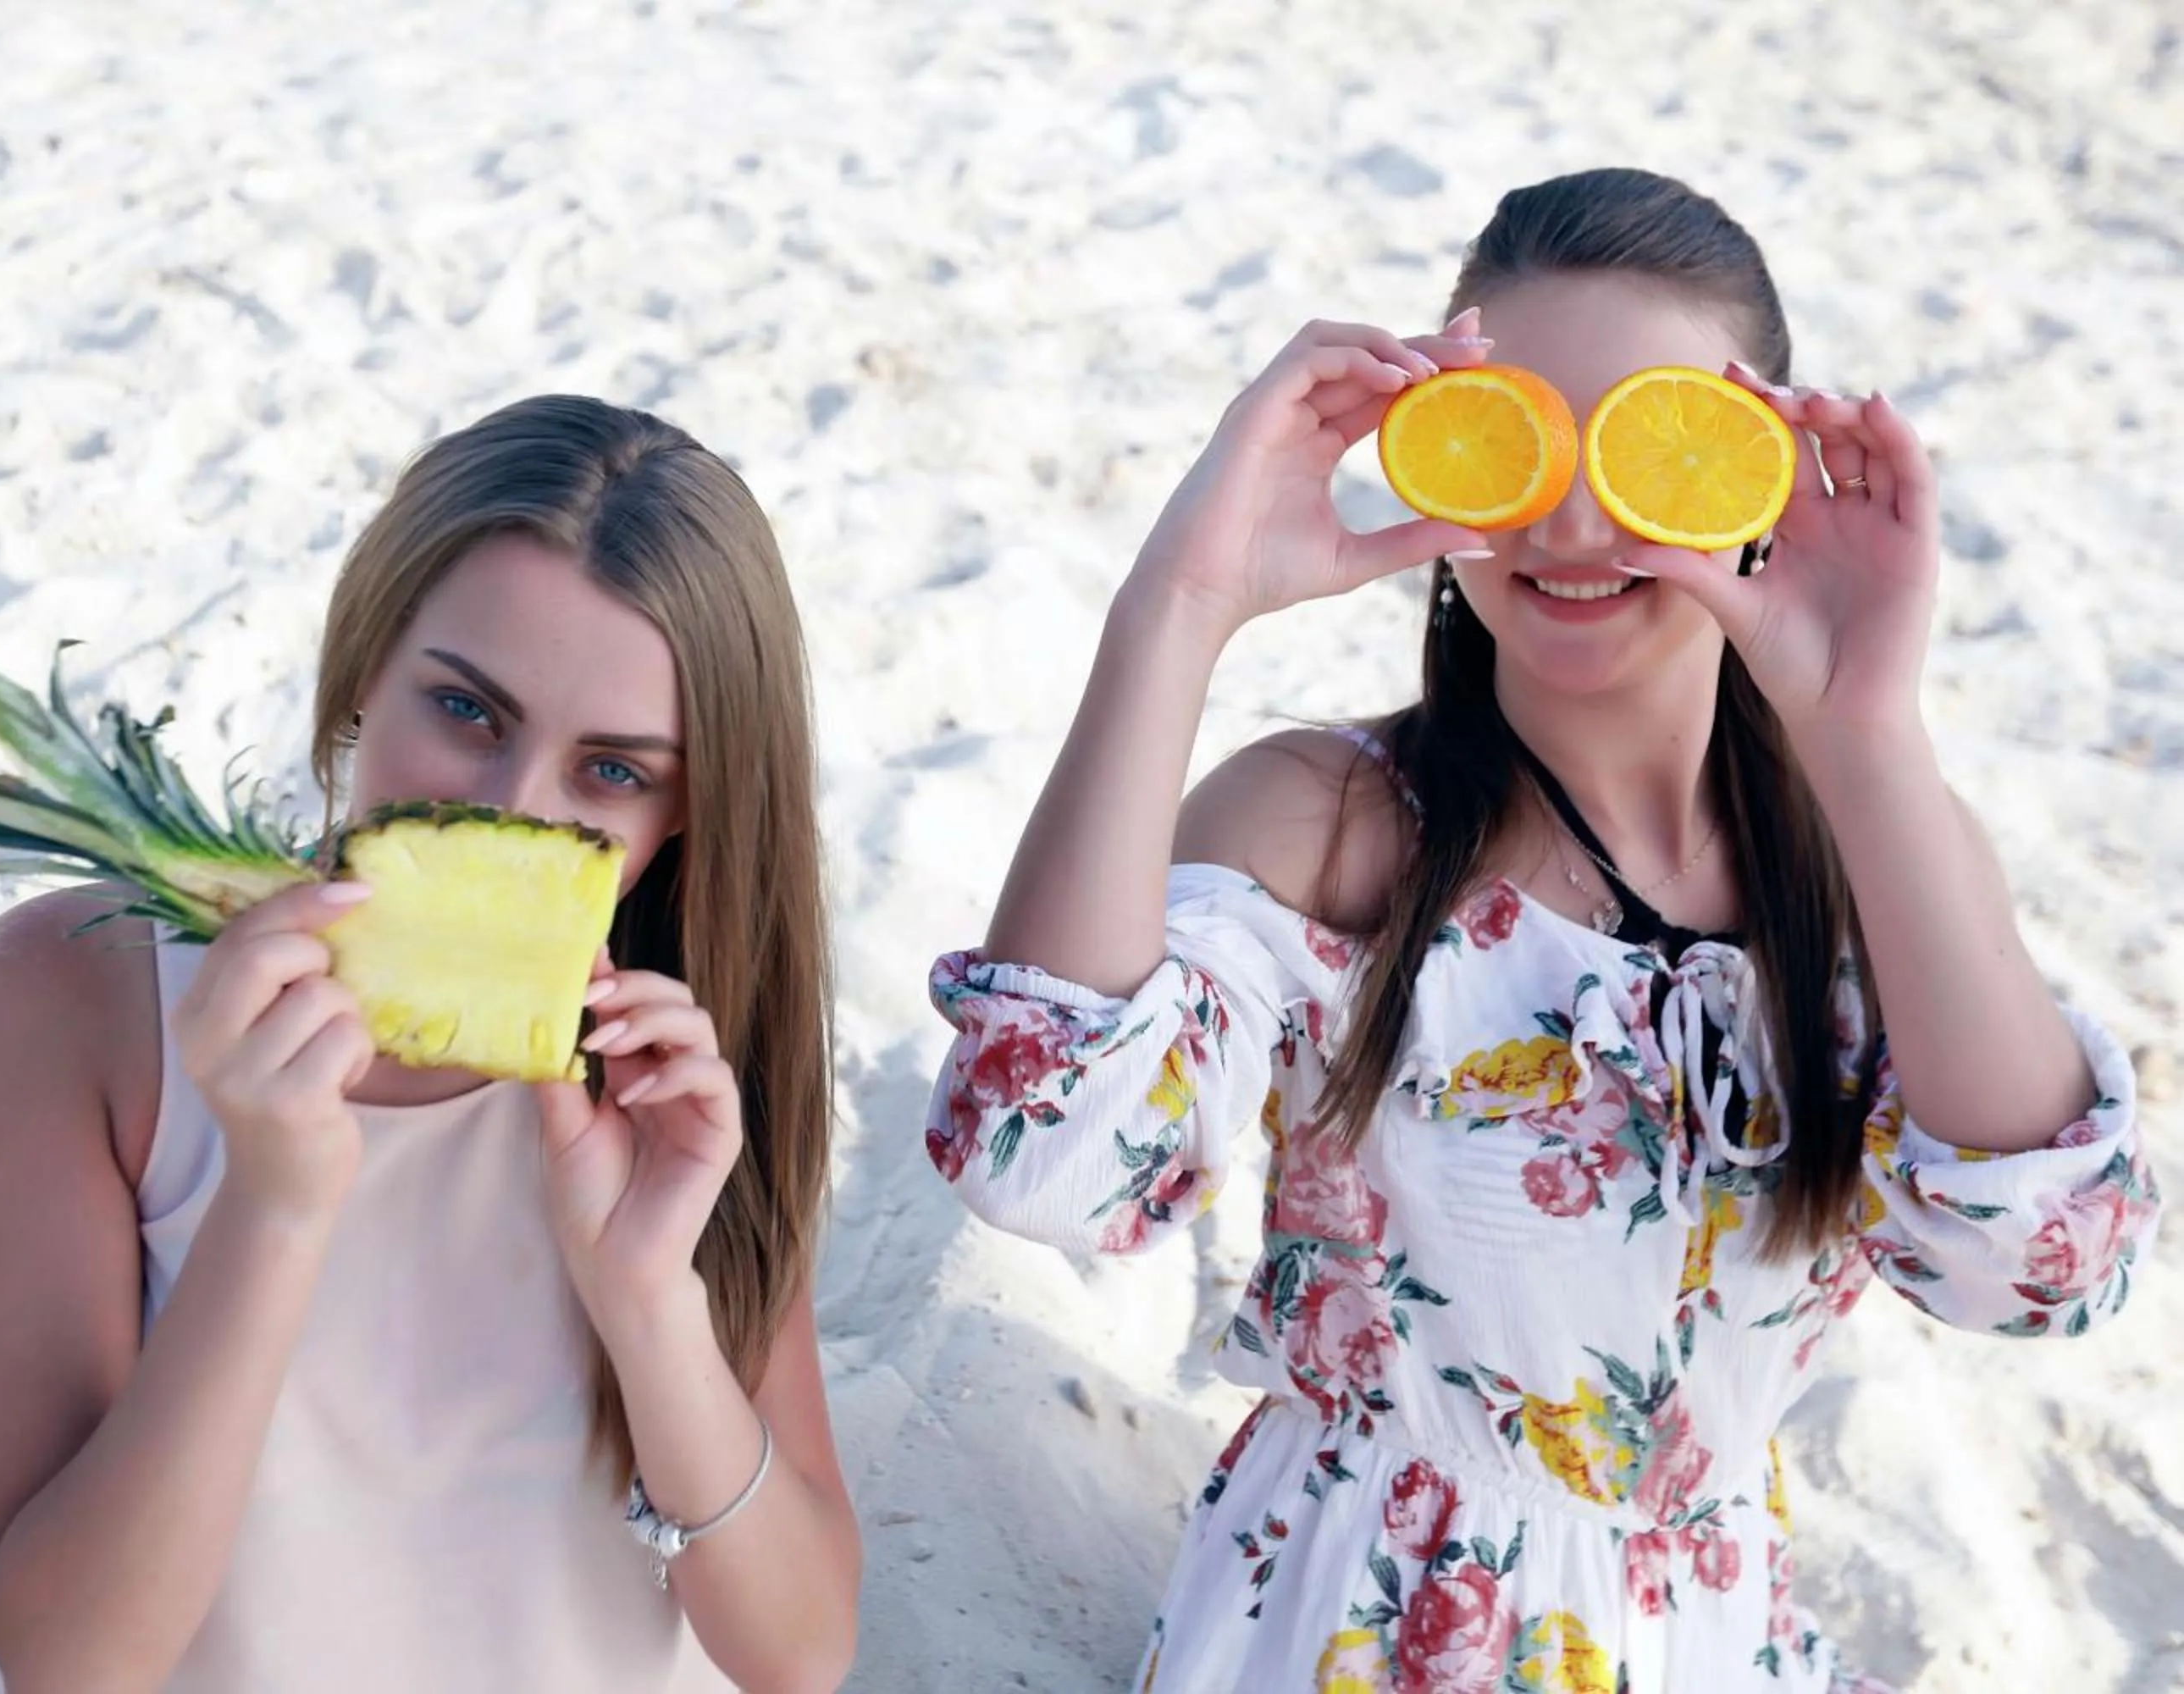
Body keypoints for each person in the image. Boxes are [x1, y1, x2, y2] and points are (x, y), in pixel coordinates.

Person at [924, 168, 2158, 1691]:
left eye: (1650, 448)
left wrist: (1869, 731)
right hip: (1356, 1628)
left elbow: (2041, 1270)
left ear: (1755, 473)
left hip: (1714, 1635)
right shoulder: (1333, 821)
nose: (1572, 521)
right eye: (1521, 449)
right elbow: (1034, 1159)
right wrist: (1175, 606)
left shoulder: (1873, 850)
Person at [0, 396, 860, 1692]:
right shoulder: (68, 1000)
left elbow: (802, 1651)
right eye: (468, 713)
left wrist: (650, 1298)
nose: (508, 812)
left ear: (687, 810)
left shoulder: (678, 1068)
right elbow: (70, 1658)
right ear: (365, 666)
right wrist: (277, 1205)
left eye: (611, 774)